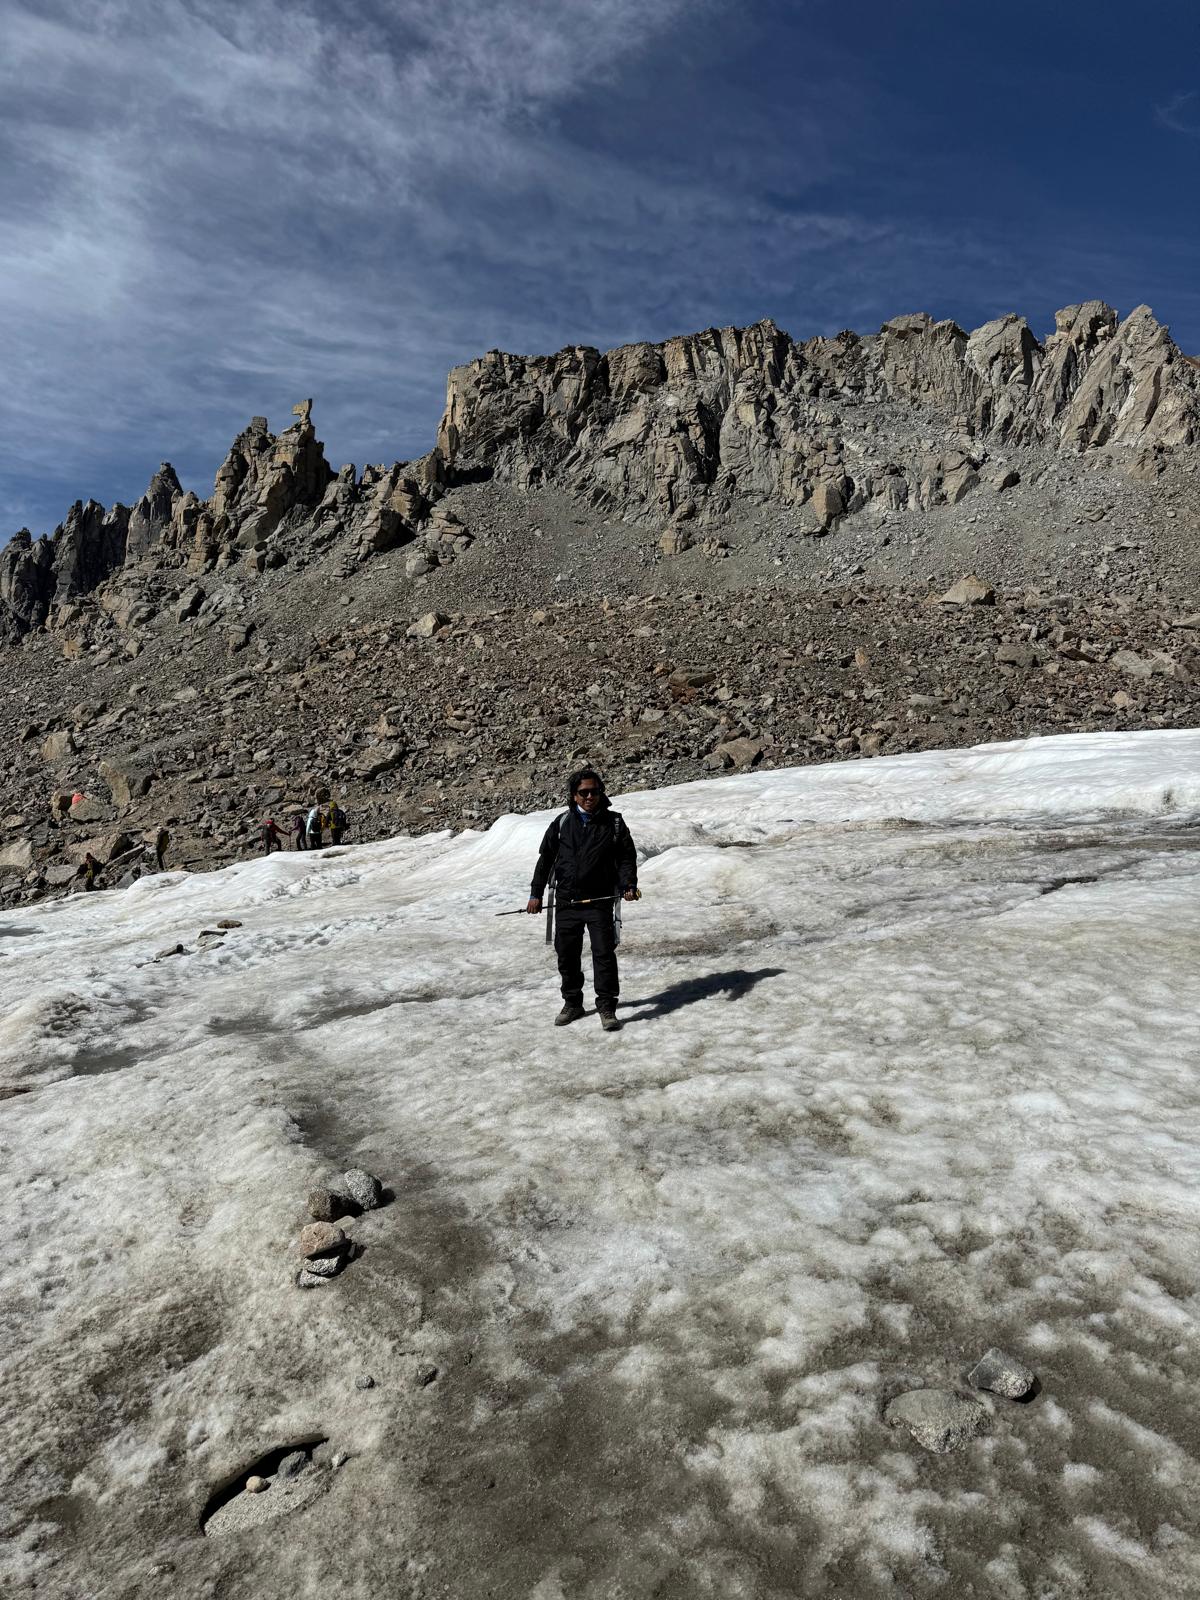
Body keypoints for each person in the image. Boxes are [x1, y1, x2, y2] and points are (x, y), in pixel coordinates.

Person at [527, 767, 638, 1031]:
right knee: (566, 955)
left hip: (600, 900)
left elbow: (626, 858)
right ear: (574, 795)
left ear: (601, 792)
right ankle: (573, 1002)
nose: (590, 796)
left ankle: (607, 1007)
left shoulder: (615, 823)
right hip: (566, 901)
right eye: (583, 792)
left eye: (594, 791)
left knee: (603, 954)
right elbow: (545, 861)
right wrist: (535, 893)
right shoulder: (562, 823)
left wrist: (629, 884)